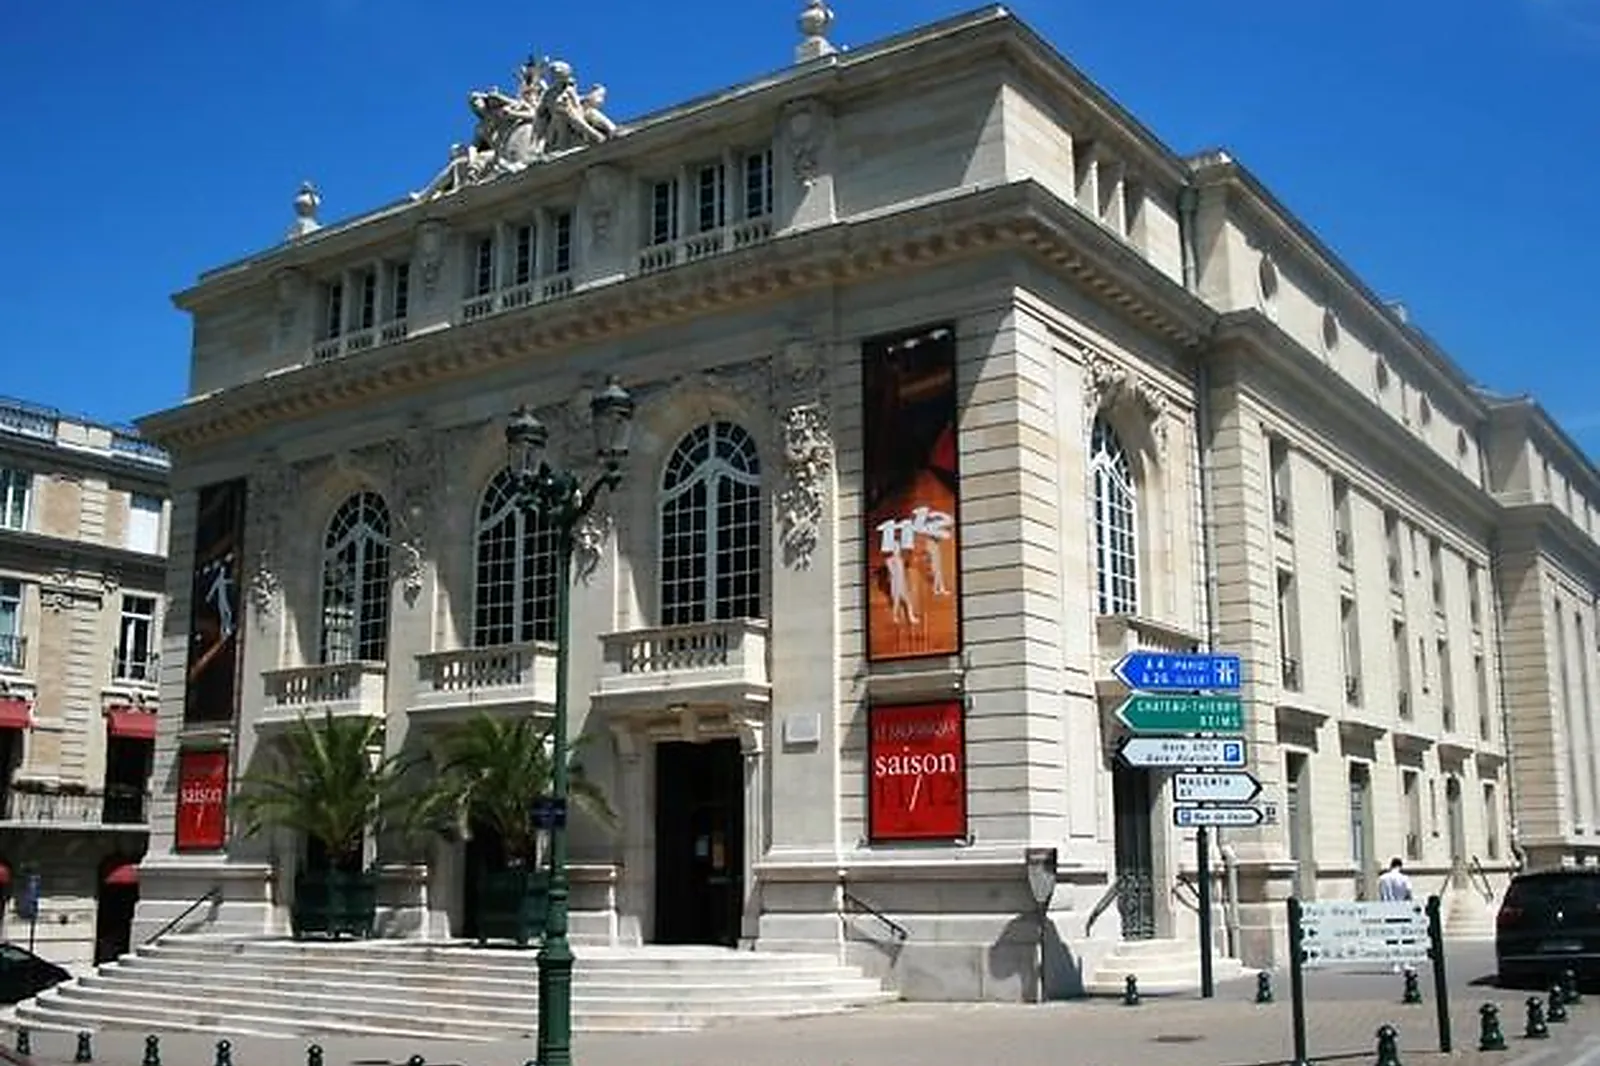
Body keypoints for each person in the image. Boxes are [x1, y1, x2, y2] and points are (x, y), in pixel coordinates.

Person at [1377, 858, 1415, 976]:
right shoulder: (1404, 878)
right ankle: (1406, 962)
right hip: (1402, 909)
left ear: (1391, 865)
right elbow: (1409, 893)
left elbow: (1381, 894)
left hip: (1388, 909)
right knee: (1405, 937)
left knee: (1392, 938)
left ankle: (1395, 964)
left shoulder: (1383, 878)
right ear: (1400, 866)